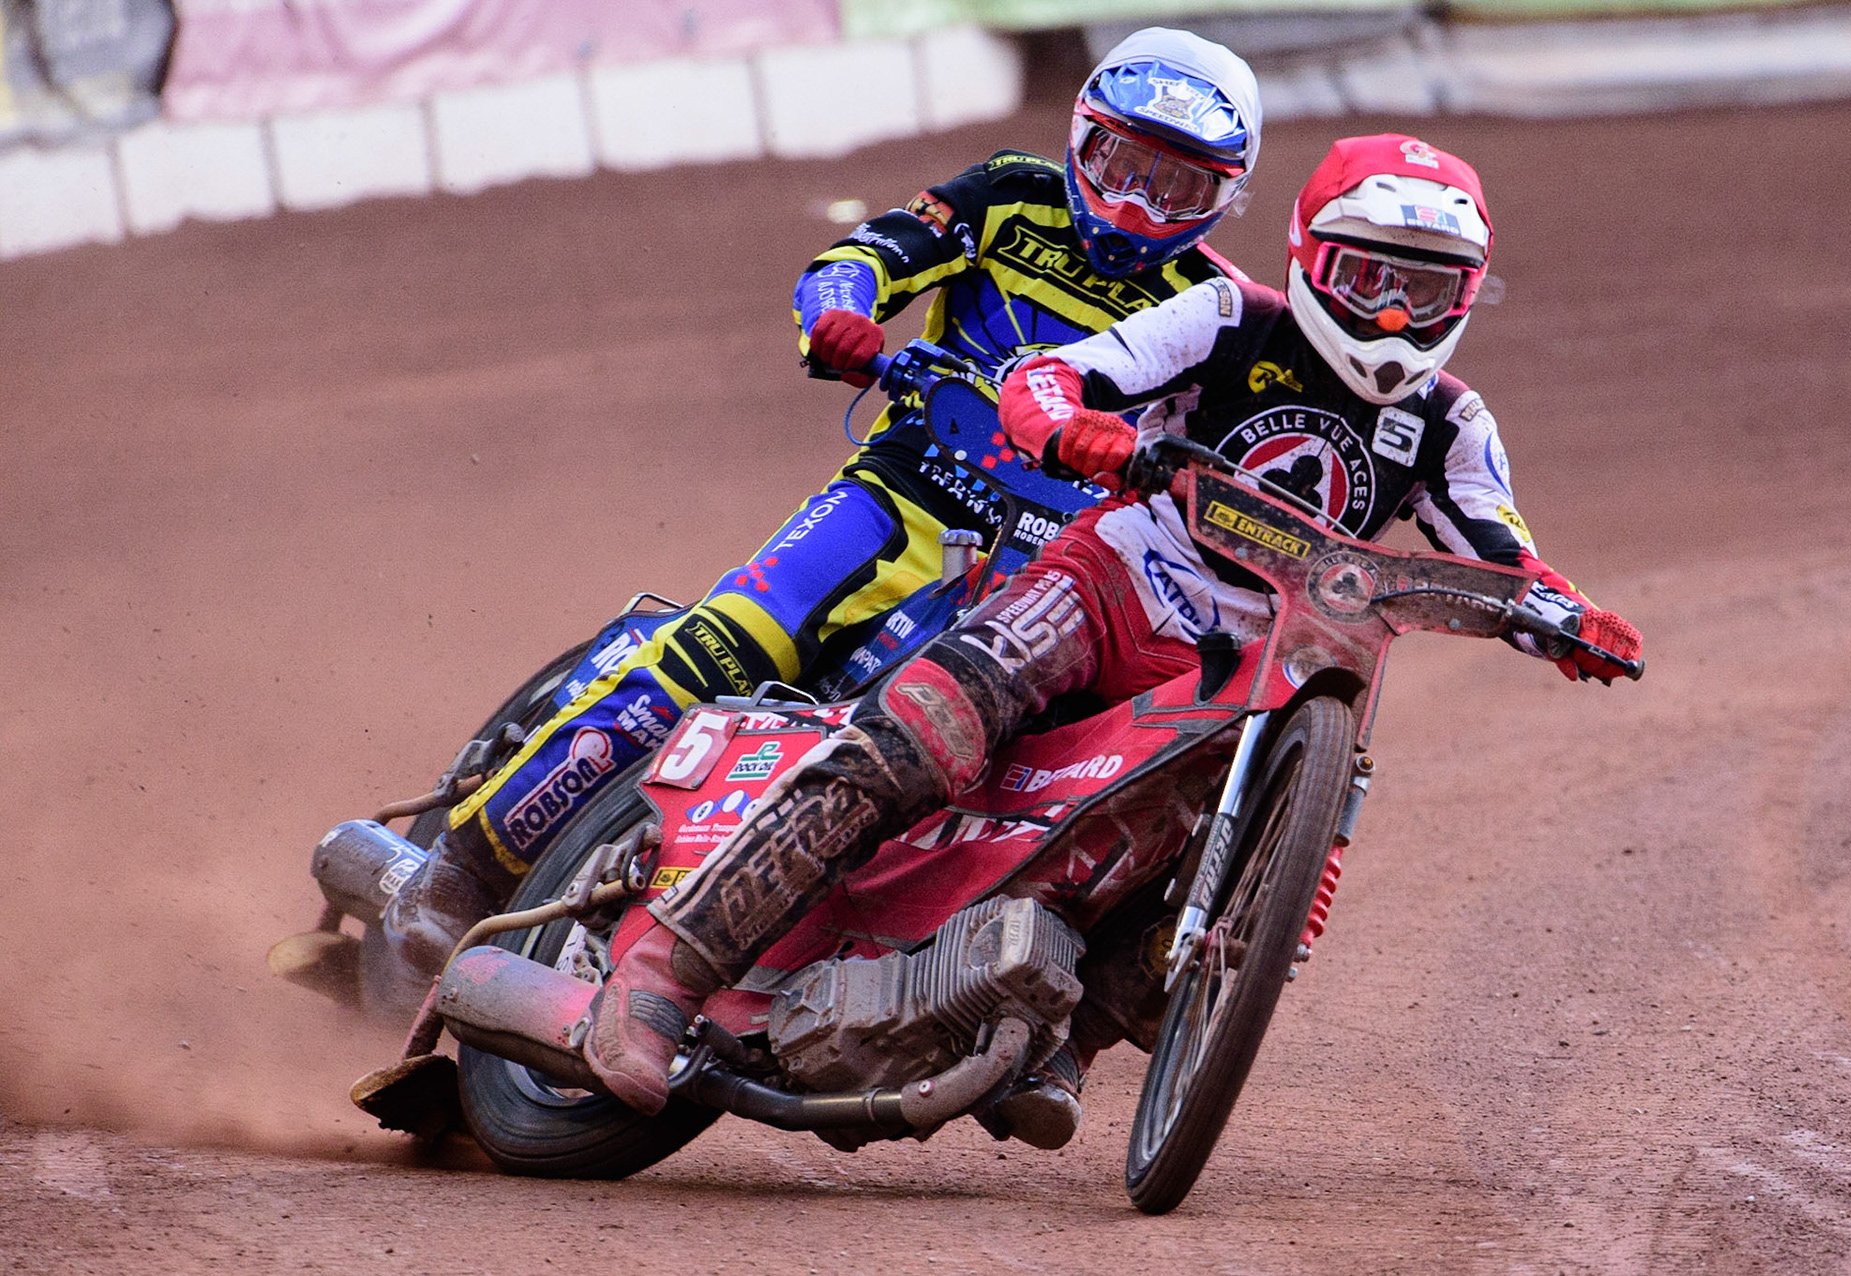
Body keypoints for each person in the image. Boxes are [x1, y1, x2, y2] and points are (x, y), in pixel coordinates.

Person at [575, 135, 1645, 1148]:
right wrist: (1075, 426)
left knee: (1234, 867)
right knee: (928, 730)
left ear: (1466, 295)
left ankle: (1059, 1042)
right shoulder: (1227, 317)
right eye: (1371, 279)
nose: (1396, 313)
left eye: (1427, 288)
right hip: (1116, 581)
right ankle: (662, 975)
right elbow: (1055, 375)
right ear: (1314, 259)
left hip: (1256, 664)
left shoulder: (1453, 425)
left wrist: (1569, 620)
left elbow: (1505, 555)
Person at [372, 28, 1268, 991]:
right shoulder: (1009, 192)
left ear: (1228, 198)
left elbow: (1240, 468)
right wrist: (842, 315)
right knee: (727, 644)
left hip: (1050, 574)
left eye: (1177, 187)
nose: (1137, 205)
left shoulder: (1220, 310)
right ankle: (464, 870)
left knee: (974, 776)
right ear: (1080, 140)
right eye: (1120, 165)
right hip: (901, 491)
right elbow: (861, 258)